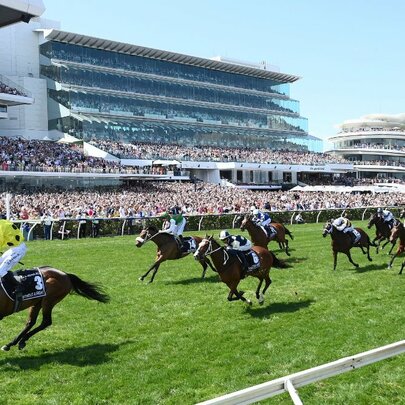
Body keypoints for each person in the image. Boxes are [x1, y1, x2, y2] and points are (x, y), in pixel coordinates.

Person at [0, 219, 26, 296]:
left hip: (18, 249)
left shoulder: (1, 225)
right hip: (14, 249)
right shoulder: (2, 222)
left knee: (1, 270)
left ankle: (20, 285)